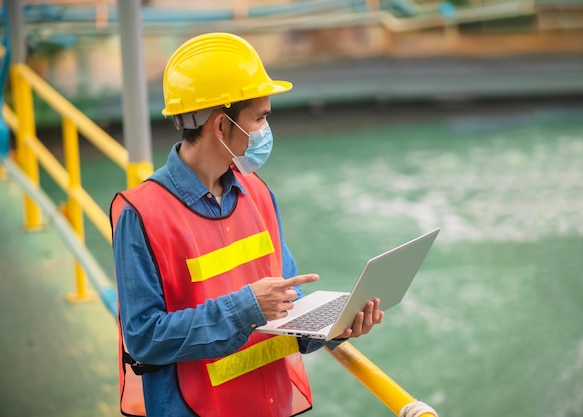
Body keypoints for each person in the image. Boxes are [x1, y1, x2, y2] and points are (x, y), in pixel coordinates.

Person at [110, 32, 384, 417]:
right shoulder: (141, 214)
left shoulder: (257, 193)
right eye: (260, 118)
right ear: (221, 126)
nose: (265, 130)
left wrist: (334, 325)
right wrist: (246, 308)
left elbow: (285, 304)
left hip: (269, 405)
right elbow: (143, 338)